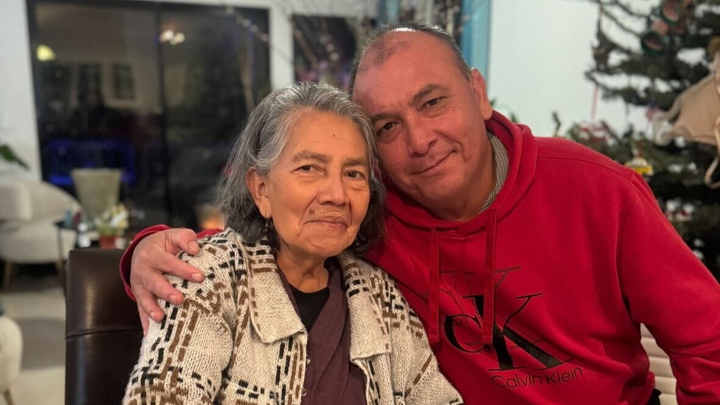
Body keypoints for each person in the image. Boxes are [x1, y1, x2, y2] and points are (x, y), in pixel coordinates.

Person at [122, 23, 720, 405]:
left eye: (432, 102)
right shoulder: (373, 216)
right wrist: (145, 248)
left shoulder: (600, 191)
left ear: (478, 93)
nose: (419, 140)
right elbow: (253, 246)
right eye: (386, 127)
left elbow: (710, 343)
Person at [122, 83, 463, 404]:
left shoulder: (379, 296)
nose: (337, 195)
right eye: (309, 168)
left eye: (353, 174)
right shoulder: (209, 279)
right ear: (261, 189)